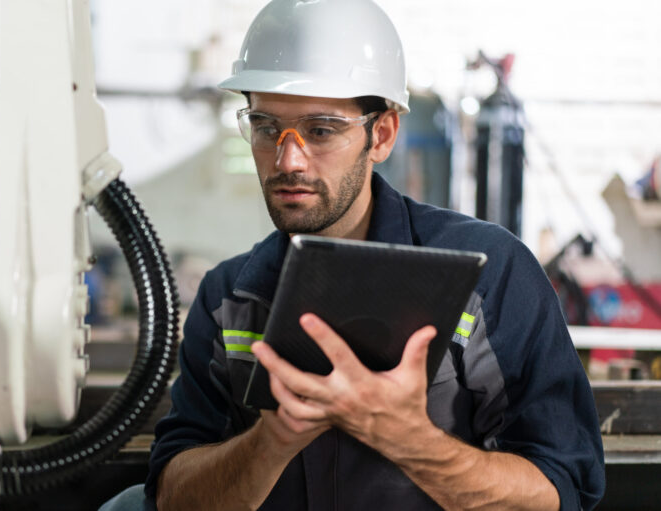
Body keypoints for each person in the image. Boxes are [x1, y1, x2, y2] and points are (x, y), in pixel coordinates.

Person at [125, 0, 605, 510]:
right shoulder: (228, 299)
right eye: (267, 127)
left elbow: (562, 490)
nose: (287, 159)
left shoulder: (489, 275)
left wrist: (409, 441)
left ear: (382, 134)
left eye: (321, 131)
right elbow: (172, 495)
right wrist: (271, 441)